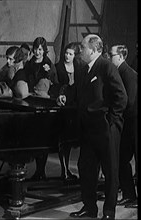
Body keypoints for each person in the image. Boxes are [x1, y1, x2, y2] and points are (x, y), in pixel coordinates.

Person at [58, 34, 127, 220]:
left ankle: (109, 213)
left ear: (95, 49)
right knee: (86, 168)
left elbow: (121, 96)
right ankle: (89, 208)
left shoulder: (107, 67)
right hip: (88, 129)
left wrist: (111, 120)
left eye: (83, 47)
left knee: (110, 171)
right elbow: (76, 90)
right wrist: (66, 95)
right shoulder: (82, 68)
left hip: (106, 129)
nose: (80, 50)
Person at [13, 37, 58, 180]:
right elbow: (24, 79)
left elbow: (55, 84)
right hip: (30, 102)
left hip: (44, 106)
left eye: (40, 49)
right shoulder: (30, 64)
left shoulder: (48, 65)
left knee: (42, 139)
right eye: (35, 49)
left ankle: (41, 171)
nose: (37, 52)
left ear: (44, 50)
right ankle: (30, 170)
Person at [109, 44, 138, 208]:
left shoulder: (129, 74)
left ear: (120, 57)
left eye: (111, 55)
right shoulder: (119, 72)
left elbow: (130, 102)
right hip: (127, 124)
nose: (109, 57)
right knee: (122, 160)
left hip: (132, 124)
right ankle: (129, 195)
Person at [55, 42, 82, 182]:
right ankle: (64, 170)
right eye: (66, 53)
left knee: (72, 140)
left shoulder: (79, 67)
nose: (67, 56)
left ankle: (68, 171)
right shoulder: (58, 67)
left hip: (75, 107)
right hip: (63, 108)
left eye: (70, 54)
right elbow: (56, 86)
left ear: (75, 56)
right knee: (63, 139)